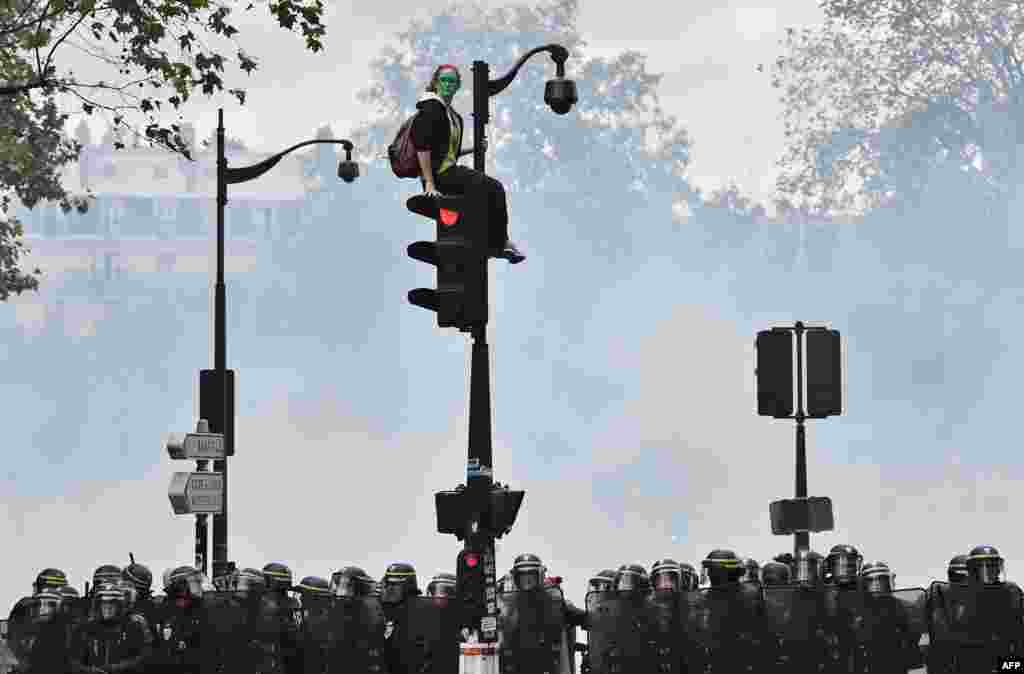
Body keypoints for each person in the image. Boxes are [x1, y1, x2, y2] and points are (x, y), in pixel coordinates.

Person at [411, 63, 526, 264]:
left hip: (448, 170)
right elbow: (422, 146)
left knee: (480, 196)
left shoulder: (452, 115)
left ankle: (486, 244)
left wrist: (474, 149)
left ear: (457, 86)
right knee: (494, 188)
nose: (448, 84)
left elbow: (448, 152)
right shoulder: (431, 107)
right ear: (435, 82)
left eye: (452, 81)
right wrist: (429, 182)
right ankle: (500, 243)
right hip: (439, 176)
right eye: (444, 80)